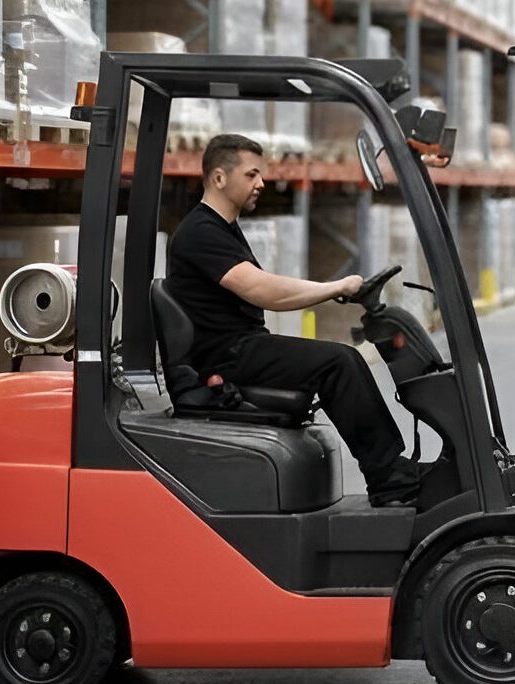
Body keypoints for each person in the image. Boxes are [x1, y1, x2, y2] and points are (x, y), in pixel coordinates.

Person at [164, 133, 423, 506]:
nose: (262, 183)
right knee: (340, 362)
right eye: (251, 175)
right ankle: (391, 479)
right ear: (219, 178)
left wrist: (333, 290)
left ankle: (392, 472)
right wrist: (333, 286)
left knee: (339, 359)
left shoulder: (221, 229)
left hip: (240, 347)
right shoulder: (200, 232)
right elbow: (262, 291)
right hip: (226, 357)